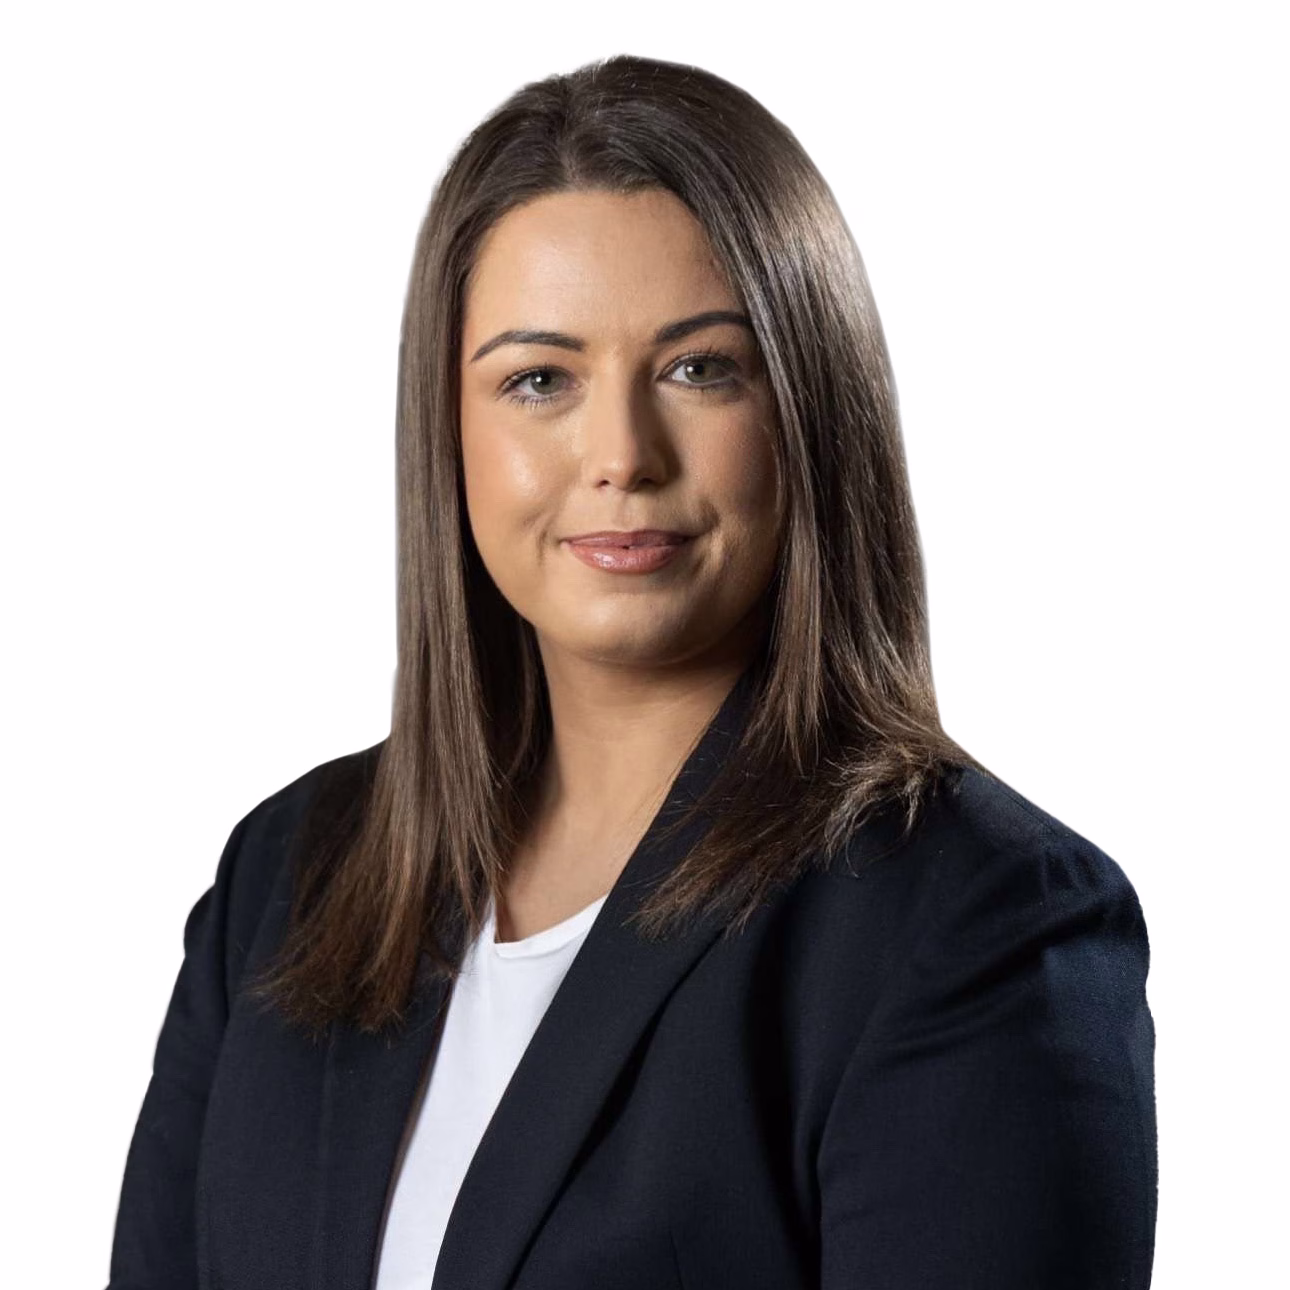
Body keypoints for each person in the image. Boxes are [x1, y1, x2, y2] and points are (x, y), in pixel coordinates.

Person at [105, 53, 1158, 1290]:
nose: (621, 454)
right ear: (449, 429)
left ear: (810, 408)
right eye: (539, 380)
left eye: (700, 368)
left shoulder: (979, 921)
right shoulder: (285, 880)